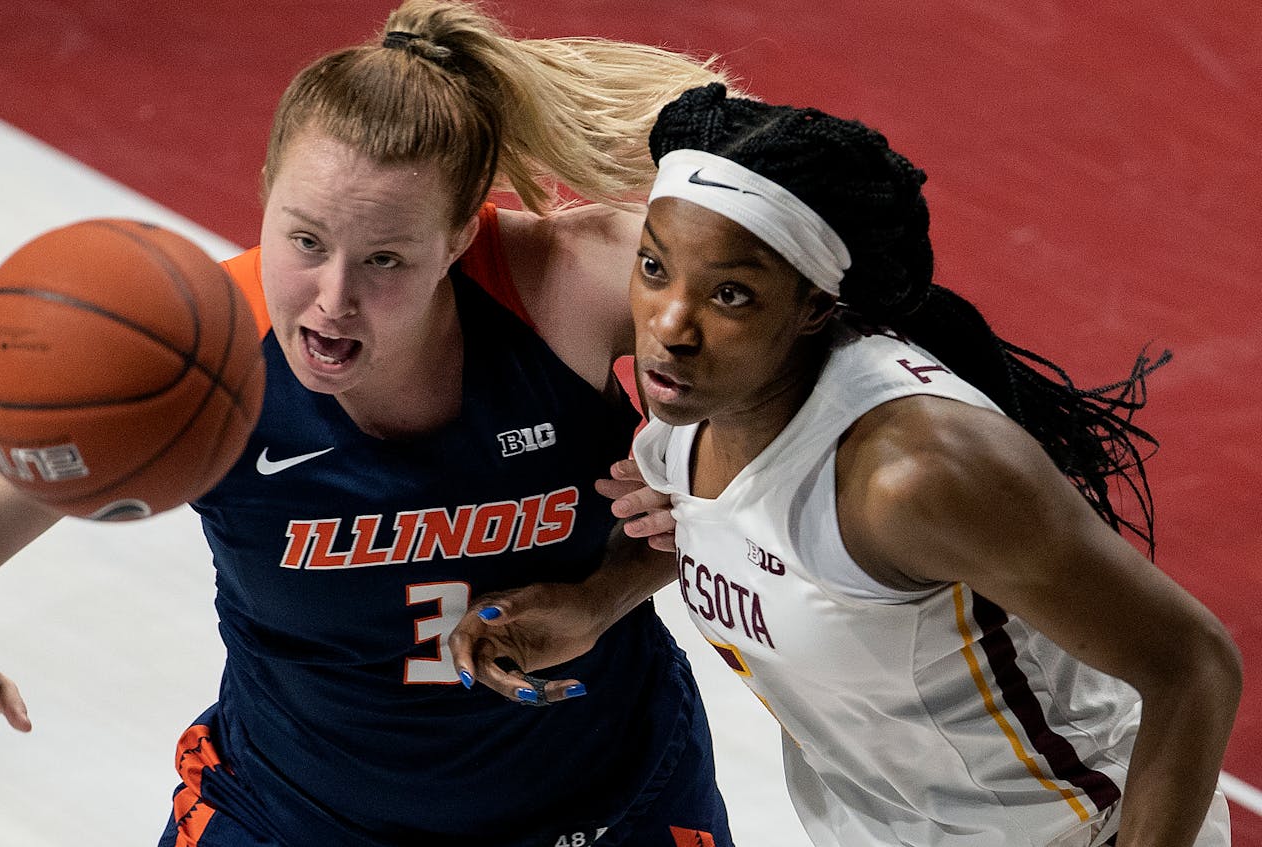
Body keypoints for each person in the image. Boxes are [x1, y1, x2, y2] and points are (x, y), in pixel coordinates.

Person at [0, 4, 742, 845]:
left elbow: (828, 328)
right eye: (305, 241)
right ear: (265, 193)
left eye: (385, 259)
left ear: (460, 233)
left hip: (607, 801)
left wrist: (708, 484)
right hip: (293, 816)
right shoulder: (201, 347)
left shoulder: (570, 288)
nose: (331, 301)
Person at [450, 83, 1243, 847]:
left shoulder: (913, 472)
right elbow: (755, 541)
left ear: (816, 307)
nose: (670, 325)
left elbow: (1193, 665)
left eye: (732, 294)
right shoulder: (697, 404)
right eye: (655, 269)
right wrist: (598, 601)